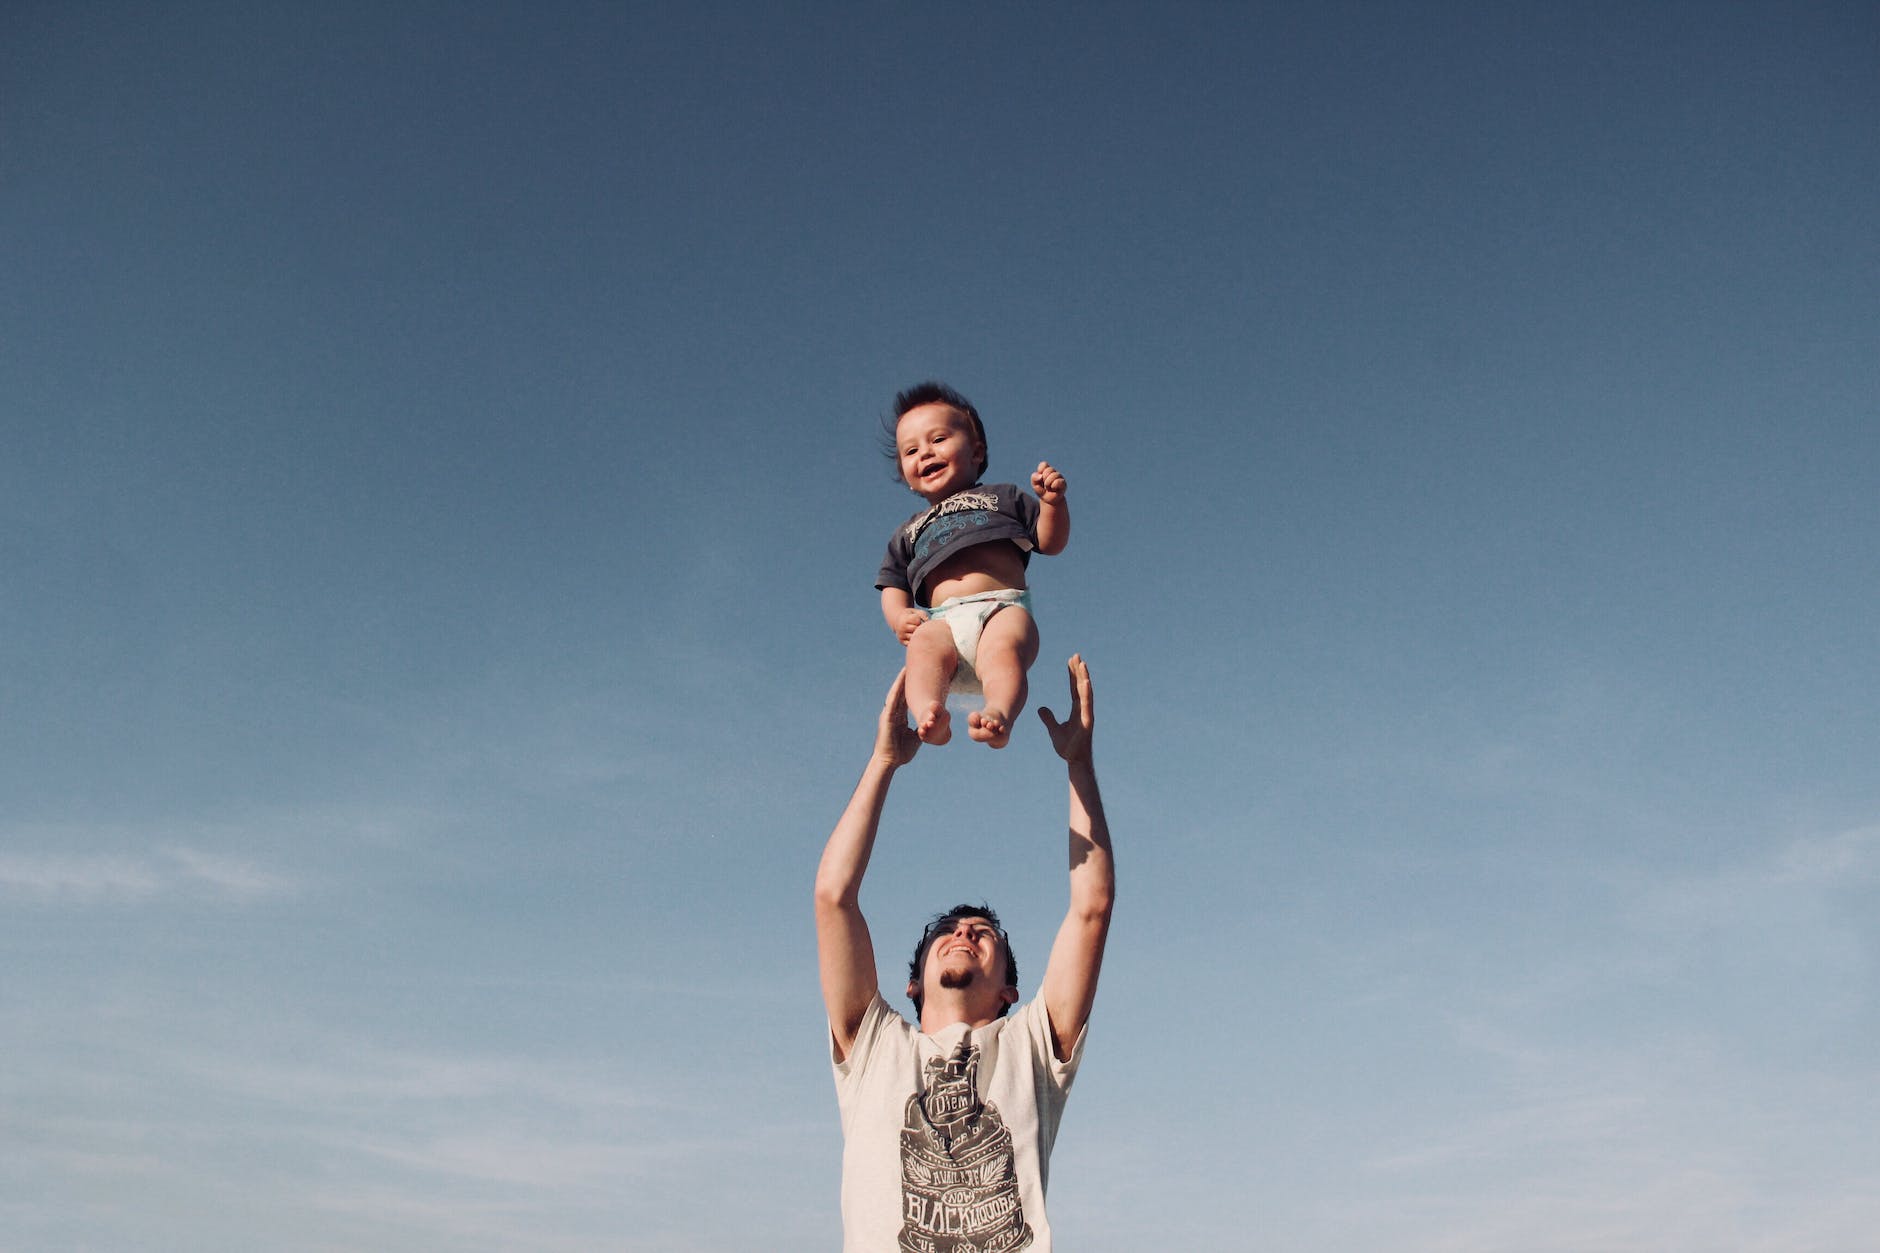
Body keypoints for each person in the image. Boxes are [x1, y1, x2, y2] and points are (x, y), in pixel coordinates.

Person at [814, 655, 1114, 1251]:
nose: (964, 933)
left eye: (984, 933)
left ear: (1010, 991)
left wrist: (1079, 764)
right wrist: (883, 762)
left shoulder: (1031, 1046)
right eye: (947, 931)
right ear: (913, 984)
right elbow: (833, 898)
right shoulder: (874, 1048)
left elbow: (1091, 908)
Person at [877, 381, 1070, 749]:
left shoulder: (1003, 497)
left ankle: (999, 713)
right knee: (922, 649)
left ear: (976, 451)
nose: (925, 453)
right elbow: (892, 583)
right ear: (905, 474)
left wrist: (1052, 505)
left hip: (1002, 607)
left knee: (1002, 654)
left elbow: (1050, 542)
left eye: (938, 439)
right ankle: (929, 713)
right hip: (942, 621)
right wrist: (899, 617)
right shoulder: (909, 531)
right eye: (912, 450)